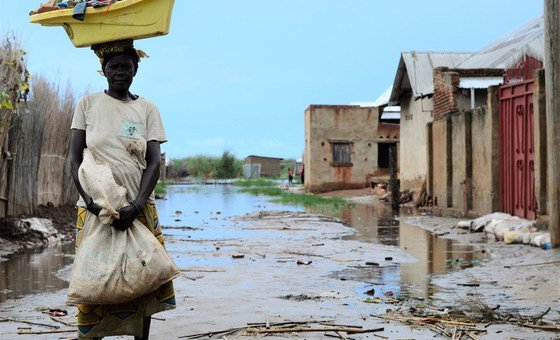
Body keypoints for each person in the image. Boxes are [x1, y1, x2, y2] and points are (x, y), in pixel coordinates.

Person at [68, 39, 175, 339]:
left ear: (135, 70)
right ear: (103, 70)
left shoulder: (147, 109)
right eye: (114, 67)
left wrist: (138, 204)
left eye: (126, 67)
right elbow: (75, 158)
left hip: (139, 209)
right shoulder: (87, 105)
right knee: (95, 281)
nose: (120, 72)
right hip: (94, 211)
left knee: (145, 279)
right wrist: (89, 201)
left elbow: (153, 163)